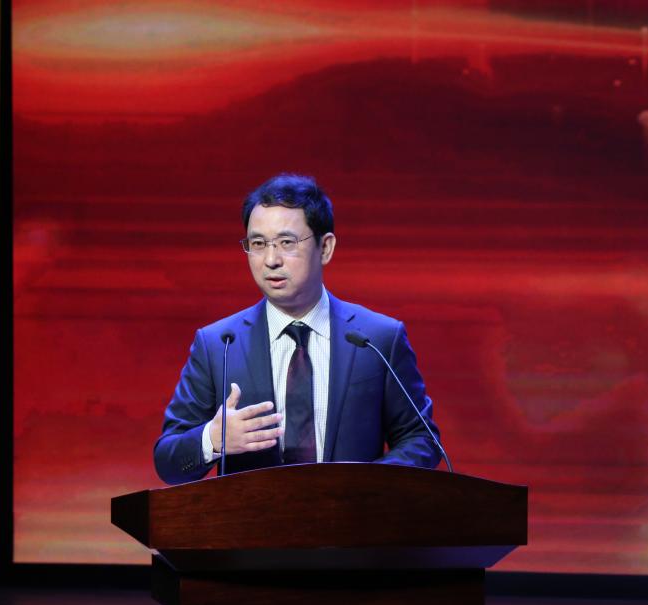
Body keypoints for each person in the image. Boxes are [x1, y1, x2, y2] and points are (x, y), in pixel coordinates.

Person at [154, 173, 441, 484]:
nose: (271, 260)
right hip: (251, 515)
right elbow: (168, 461)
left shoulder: (378, 338)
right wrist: (212, 439)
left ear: (325, 248)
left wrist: (365, 488)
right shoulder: (218, 344)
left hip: (354, 513)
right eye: (258, 244)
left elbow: (421, 439)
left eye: (286, 243)